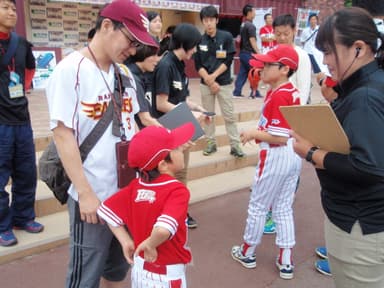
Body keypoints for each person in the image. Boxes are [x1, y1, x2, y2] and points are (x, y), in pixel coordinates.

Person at [45, 0, 158, 287]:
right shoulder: (70, 69)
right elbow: (62, 134)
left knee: (118, 268)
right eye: (131, 40)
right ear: (107, 25)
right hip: (93, 197)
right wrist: (84, 193)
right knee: (85, 276)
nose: (133, 50)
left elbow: (137, 122)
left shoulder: (124, 73)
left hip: (127, 193)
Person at [291, 7, 384, 287]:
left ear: (359, 48)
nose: (326, 61)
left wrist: (311, 152)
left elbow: (369, 167)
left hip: (359, 227)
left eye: (330, 51)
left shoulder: (365, 96)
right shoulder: (368, 85)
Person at [230, 44, 302, 280]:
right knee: (282, 208)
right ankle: (286, 259)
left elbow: (279, 137)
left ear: (284, 69)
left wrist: (254, 133)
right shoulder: (288, 89)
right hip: (292, 155)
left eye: (269, 64)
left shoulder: (279, 94)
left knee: (259, 206)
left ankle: (248, 252)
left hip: (276, 153)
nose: (262, 68)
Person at [97, 123, 195, 288]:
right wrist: (150, 244)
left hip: (140, 270)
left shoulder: (136, 186)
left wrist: (126, 240)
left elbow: (105, 210)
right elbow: (163, 229)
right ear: (163, 165)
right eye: (177, 149)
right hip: (167, 274)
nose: (182, 150)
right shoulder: (177, 190)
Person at [152, 23, 207, 229]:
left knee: (181, 170)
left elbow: (180, 98)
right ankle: (167, 212)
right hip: (167, 125)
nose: (194, 50)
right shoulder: (166, 65)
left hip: (180, 122)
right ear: (184, 43)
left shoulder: (180, 65)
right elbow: (161, 104)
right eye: (193, 46)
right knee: (169, 170)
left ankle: (179, 209)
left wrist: (196, 107)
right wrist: (188, 114)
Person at [0, 0, 44, 247]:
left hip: (22, 119)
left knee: (27, 173)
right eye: (4, 6)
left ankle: (23, 217)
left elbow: (29, 70)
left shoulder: (21, 44)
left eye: (13, 8)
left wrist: (17, 91)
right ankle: (2, 226)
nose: (11, 12)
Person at [194, 5, 244, 158]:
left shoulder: (226, 37)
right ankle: (211, 143)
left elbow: (228, 60)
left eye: (211, 20)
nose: (208, 23)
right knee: (208, 115)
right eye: (205, 20)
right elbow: (197, 64)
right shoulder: (199, 40)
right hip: (206, 85)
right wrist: (209, 81)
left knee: (229, 115)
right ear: (202, 21)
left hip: (224, 84)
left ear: (216, 20)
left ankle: (235, 146)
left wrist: (213, 77)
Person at [273, 14, 311, 105]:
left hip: (292, 107)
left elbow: (304, 88)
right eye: (278, 34)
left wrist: (296, 112)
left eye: (286, 34)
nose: (282, 38)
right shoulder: (273, 54)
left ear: (294, 31)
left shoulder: (301, 55)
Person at [124, 43, 161, 129]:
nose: (157, 60)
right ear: (143, 54)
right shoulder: (134, 79)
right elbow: (145, 119)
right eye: (153, 55)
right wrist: (169, 133)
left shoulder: (130, 72)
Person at [233, 4, 261, 98]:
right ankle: (254, 93)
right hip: (249, 53)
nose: (255, 13)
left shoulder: (243, 25)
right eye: (253, 11)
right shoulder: (251, 26)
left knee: (243, 73)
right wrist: (258, 53)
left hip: (242, 53)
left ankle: (237, 92)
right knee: (254, 72)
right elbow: (252, 41)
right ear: (249, 13)